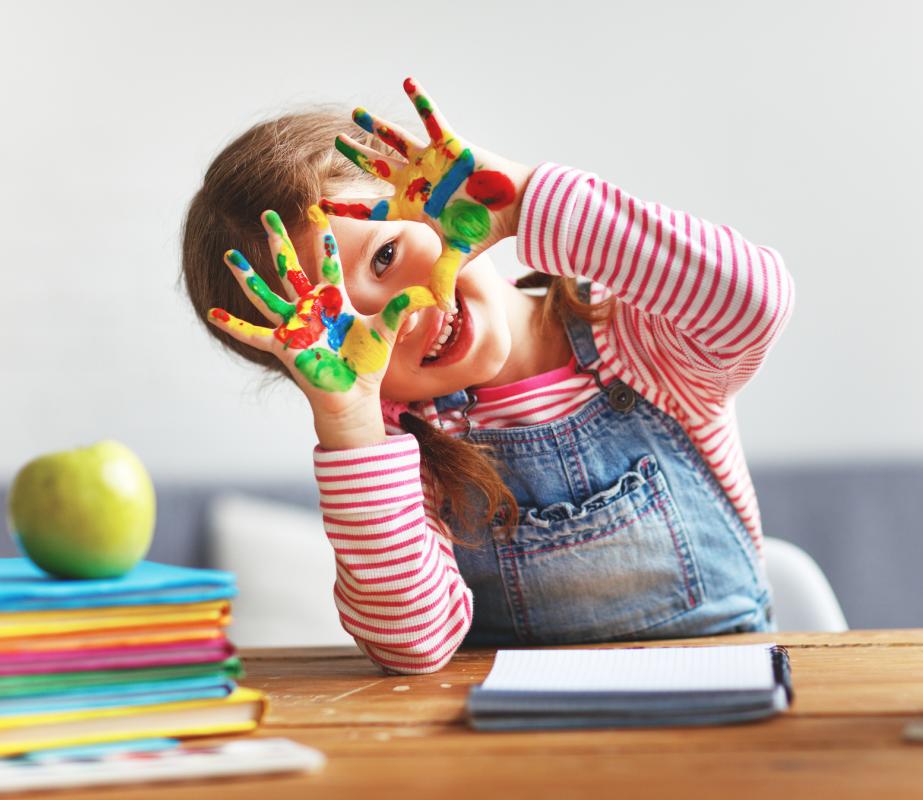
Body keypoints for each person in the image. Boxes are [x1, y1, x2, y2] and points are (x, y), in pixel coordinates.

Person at [182, 78, 795, 674]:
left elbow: (752, 302)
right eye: (337, 327)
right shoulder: (400, 448)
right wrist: (351, 423)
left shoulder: (637, 337)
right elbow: (412, 646)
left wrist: (522, 199)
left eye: (385, 255)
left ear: (439, 201)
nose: (400, 314)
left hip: (727, 696)